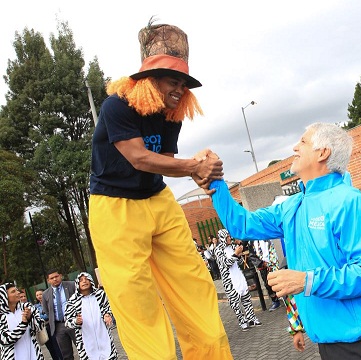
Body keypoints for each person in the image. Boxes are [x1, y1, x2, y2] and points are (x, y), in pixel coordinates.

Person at [87, 22, 232, 358]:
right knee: (137, 302)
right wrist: (194, 165)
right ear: (150, 79)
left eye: (183, 82)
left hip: (158, 200)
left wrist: (197, 173)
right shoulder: (117, 106)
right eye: (173, 80)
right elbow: (138, 157)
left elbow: (164, 162)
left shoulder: (171, 116)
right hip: (114, 207)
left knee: (193, 282)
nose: (180, 89)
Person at [209, 123, 361, 359]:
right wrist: (214, 181)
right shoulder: (292, 206)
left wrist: (306, 280)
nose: (294, 147)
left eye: (303, 141)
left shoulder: (351, 203)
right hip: (330, 343)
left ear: (323, 152)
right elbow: (242, 224)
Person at [212, 229, 261, 331]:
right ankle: (242, 321)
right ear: (223, 238)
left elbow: (239, 262)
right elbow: (226, 263)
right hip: (229, 280)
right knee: (235, 303)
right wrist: (236, 254)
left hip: (238, 276)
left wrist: (239, 253)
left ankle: (251, 318)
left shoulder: (233, 246)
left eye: (230, 236)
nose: (230, 238)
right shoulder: (218, 250)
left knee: (246, 298)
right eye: (227, 237)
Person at [64, 272, 117, 360]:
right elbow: (67, 322)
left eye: (86, 279)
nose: (84, 281)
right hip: (86, 340)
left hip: (103, 335)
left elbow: (109, 307)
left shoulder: (100, 294)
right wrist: (76, 321)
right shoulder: (72, 301)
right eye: (81, 280)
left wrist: (107, 314)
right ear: (77, 283)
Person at [0, 283, 45, 359]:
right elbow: (5, 340)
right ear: (4, 297)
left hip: (33, 354)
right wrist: (23, 324)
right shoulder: (2, 316)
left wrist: (30, 318)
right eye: (13, 291)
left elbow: (40, 327)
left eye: (17, 290)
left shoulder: (27, 307)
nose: (18, 293)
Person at [40, 270, 76, 360]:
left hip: (74, 322)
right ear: (48, 280)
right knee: (66, 354)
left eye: (56, 276)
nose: (55, 279)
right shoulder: (45, 294)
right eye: (52, 278)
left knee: (83, 348)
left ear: (61, 276)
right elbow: (47, 310)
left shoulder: (71, 285)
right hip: (59, 326)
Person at [33, 289, 63, 360]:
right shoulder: (36, 306)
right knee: (50, 348)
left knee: (57, 346)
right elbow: (37, 316)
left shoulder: (49, 302)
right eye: (37, 295)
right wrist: (43, 316)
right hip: (43, 328)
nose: (39, 296)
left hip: (52, 325)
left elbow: (50, 314)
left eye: (40, 294)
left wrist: (43, 316)